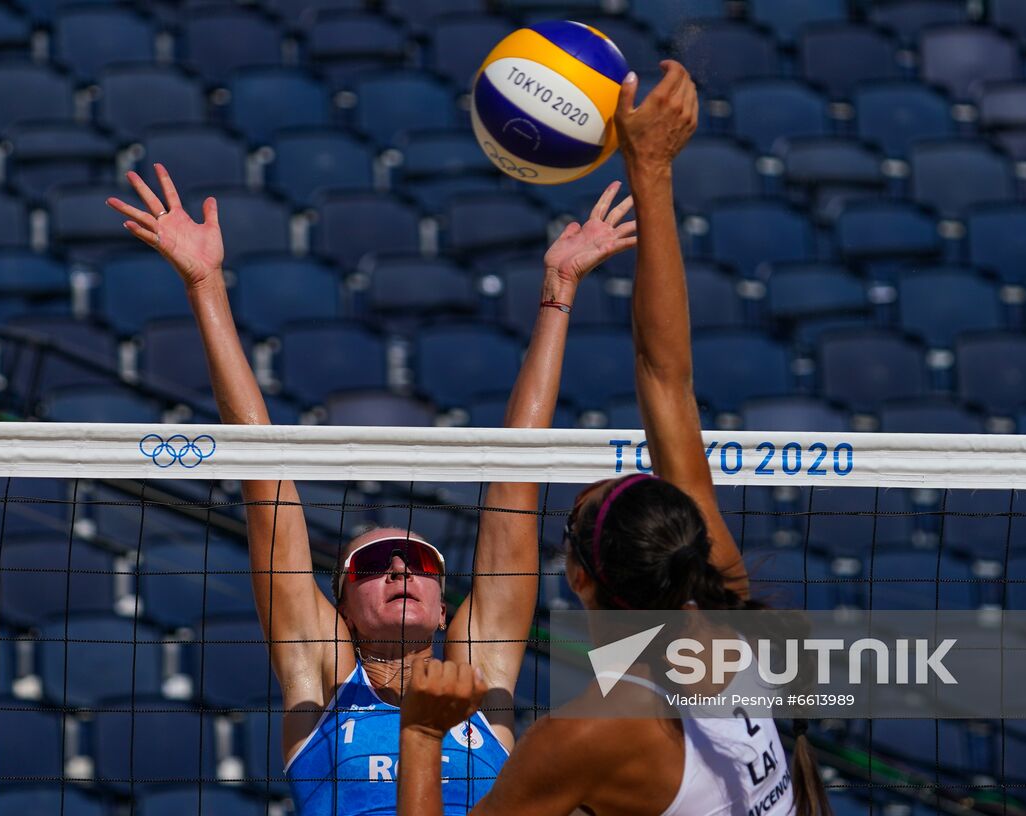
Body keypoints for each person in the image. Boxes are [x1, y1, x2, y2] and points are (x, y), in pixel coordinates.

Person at [104, 169, 638, 813]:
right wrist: (205, 285)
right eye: (372, 565)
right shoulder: (324, 681)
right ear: (342, 612)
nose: (396, 568)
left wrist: (557, 295)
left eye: (418, 563)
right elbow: (265, 481)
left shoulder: (482, 680)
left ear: (446, 610)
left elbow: (515, 482)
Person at [395, 62, 831, 816]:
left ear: (581, 579)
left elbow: (666, 377)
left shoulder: (594, 731)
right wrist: (651, 169)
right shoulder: (724, 615)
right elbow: (667, 378)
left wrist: (423, 734)